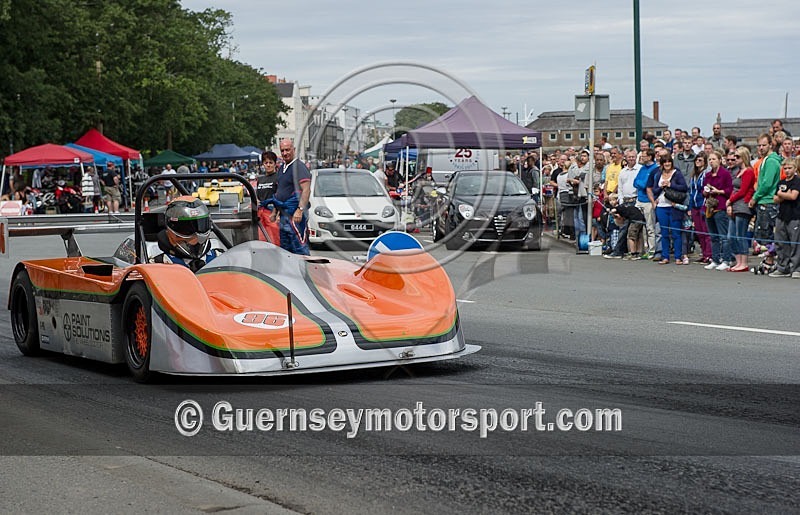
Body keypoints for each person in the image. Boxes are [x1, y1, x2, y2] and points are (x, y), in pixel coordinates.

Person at [263, 139, 311, 255]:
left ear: (293, 150)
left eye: (287, 150)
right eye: (283, 150)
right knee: (286, 250)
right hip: (284, 217)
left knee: (299, 248)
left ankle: (304, 272)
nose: (285, 153)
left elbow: (306, 190)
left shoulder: (299, 167)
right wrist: (275, 212)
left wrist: (299, 210)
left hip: (295, 216)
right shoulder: (282, 168)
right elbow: (279, 193)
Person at [150, 196, 221, 272]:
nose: (196, 236)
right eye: (187, 229)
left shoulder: (221, 258)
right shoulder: (156, 266)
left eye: (201, 226)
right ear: (170, 230)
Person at [749, 133, 782, 259]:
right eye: (759, 145)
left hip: (768, 201)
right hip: (764, 200)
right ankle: (769, 260)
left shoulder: (772, 161)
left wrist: (755, 197)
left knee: (767, 234)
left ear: (770, 145)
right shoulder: (764, 160)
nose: (761, 148)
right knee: (763, 234)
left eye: (764, 145)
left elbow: (766, 183)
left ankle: (771, 261)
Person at [652, 155, 689, 265]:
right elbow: (654, 190)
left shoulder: (677, 174)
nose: (667, 164)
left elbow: (684, 187)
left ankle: (678, 257)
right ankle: (665, 256)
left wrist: (670, 184)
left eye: (669, 162)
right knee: (664, 233)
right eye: (665, 162)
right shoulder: (659, 174)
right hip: (661, 206)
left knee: (676, 233)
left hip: (673, 206)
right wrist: (661, 187)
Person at [768, 157, 800, 277]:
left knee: (795, 243)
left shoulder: (797, 181)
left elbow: (793, 196)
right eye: (785, 168)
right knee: (781, 242)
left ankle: (797, 268)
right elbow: (775, 199)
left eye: (789, 168)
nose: (787, 170)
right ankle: (783, 267)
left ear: (795, 168)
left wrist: (782, 194)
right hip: (781, 215)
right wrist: (784, 195)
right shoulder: (781, 182)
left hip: (795, 216)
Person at [725, 147, 755, 272]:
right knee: (731, 236)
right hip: (735, 204)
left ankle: (743, 262)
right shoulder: (738, 172)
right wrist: (730, 203)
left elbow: (743, 190)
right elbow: (735, 189)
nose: (735, 159)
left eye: (737, 157)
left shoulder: (748, 171)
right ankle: (738, 261)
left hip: (743, 205)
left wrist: (730, 200)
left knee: (740, 235)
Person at [702, 150, 733, 270]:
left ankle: (726, 259)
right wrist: (706, 192)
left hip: (720, 206)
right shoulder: (708, 175)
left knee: (723, 236)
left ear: (720, 160)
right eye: (710, 159)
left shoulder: (725, 174)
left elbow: (729, 190)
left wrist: (718, 191)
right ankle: (715, 259)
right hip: (709, 207)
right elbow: (703, 190)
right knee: (713, 236)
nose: (711, 161)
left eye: (714, 159)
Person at [687, 153, 712, 263]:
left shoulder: (706, 174)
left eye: (700, 160)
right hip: (694, 205)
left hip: (703, 204)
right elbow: (691, 191)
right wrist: (690, 207)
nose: (698, 162)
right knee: (699, 231)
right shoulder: (693, 175)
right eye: (696, 160)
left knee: (706, 231)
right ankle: (703, 253)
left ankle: (709, 254)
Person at [256, 151, 280, 245]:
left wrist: (278, 214)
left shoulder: (278, 177)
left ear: (275, 164)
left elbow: (280, 196)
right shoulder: (260, 179)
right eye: (266, 163)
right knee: (262, 241)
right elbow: (257, 196)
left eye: (271, 162)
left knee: (274, 241)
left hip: (272, 213)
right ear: (263, 164)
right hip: (260, 214)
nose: (268, 165)